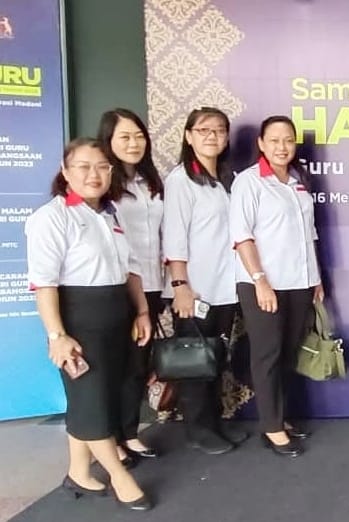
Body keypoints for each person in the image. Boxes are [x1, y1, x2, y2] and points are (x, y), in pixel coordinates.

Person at [25, 138, 153, 511]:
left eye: (101, 166)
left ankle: (79, 473)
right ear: (65, 172)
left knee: (97, 398)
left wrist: (142, 311)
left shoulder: (110, 214)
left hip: (116, 314)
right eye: (83, 166)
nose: (93, 174)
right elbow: (44, 284)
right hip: (78, 320)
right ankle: (120, 476)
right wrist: (57, 335)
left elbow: (130, 269)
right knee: (90, 399)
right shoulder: (51, 217)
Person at [229, 115, 324, 457]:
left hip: (299, 283)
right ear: (261, 144)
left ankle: (279, 417)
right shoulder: (249, 182)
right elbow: (242, 236)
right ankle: (271, 429)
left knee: (287, 354)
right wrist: (260, 281)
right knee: (267, 355)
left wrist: (315, 278)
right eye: (274, 140)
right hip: (264, 284)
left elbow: (309, 235)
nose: (282, 147)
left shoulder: (298, 181)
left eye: (288, 140)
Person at [162, 107, 246, 454]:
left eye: (220, 130)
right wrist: (180, 286)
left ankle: (213, 422)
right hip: (194, 288)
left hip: (225, 287)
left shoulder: (229, 178)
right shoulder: (181, 180)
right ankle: (197, 430)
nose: (212, 136)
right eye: (204, 130)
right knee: (194, 360)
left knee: (214, 357)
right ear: (188, 136)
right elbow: (174, 238)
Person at [98, 108, 164, 463]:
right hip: (116, 287)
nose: (134, 143)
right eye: (125, 137)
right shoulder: (102, 184)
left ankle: (129, 432)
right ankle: (108, 439)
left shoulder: (150, 181)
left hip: (151, 284)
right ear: (108, 141)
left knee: (138, 365)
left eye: (139, 136)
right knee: (114, 367)